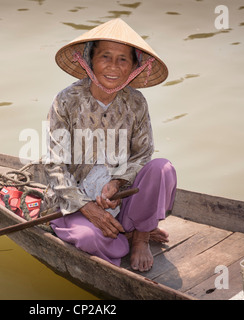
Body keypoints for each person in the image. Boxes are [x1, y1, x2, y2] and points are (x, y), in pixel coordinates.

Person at [43, 19, 176, 272]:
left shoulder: (136, 102)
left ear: (134, 67)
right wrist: (87, 207)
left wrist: (117, 182)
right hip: (76, 201)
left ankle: (140, 237)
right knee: (88, 237)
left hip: (120, 197)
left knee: (163, 168)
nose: (114, 66)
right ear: (89, 60)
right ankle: (129, 230)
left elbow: (143, 154)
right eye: (105, 56)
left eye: (123, 59)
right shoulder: (66, 100)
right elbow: (54, 165)